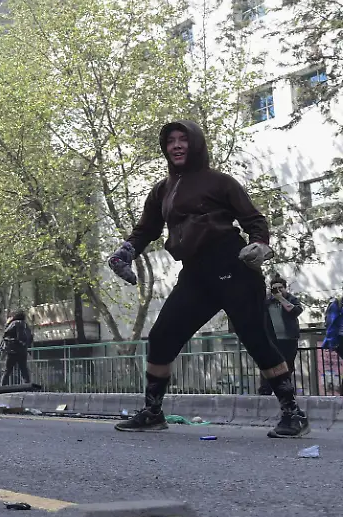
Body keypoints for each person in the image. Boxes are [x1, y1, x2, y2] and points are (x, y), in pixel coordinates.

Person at [108, 121, 308, 438]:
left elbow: (254, 219)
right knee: (161, 337)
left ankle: (293, 414)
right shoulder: (162, 190)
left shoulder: (220, 182)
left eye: (183, 139)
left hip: (233, 264)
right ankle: (153, 412)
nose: (176, 145)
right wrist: (124, 253)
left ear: (196, 144)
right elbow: (146, 229)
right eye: (170, 141)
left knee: (256, 339)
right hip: (195, 273)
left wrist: (260, 244)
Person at [259, 277, 303, 395]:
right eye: (275, 288)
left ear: (285, 288)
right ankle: (265, 390)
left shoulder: (291, 299)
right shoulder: (267, 302)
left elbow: (296, 311)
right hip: (272, 340)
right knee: (268, 364)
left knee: (288, 365)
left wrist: (281, 299)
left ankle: (286, 391)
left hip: (289, 339)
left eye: (280, 288)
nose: (278, 290)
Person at [0, 311, 33, 386]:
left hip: (12, 351)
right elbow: (29, 337)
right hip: (22, 351)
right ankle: (27, 385)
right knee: (24, 369)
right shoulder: (25, 324)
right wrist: (25, 344)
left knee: (7, 370)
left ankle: (2, 386)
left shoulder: (14, 323)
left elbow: (6, 335)